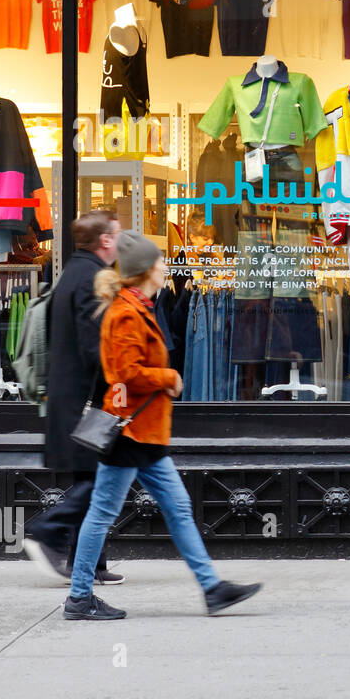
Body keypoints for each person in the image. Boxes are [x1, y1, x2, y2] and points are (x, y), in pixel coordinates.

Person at [63, 230, 261, 620]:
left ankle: (213, 589)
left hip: (144, 431)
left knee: (179, 508)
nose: (165, 267)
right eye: (159, 262)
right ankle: (79, 597)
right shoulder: (124, 312)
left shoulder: (139, 305)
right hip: (129, 432)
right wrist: (167, 378)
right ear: (145, 270)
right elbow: (125, 372)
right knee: (104, 512)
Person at [25, 209, 126, 585]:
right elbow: (93, 345)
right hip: (87, 401)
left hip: (73, 399)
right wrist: (120, 382)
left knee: (94, 479)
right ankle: (46, 530)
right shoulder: (91, 277)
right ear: (104, 241)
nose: (119, 242)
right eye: (116, 235)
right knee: (101, 481)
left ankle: (90, 564)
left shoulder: (74, 271)